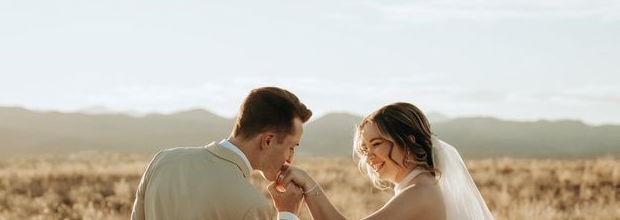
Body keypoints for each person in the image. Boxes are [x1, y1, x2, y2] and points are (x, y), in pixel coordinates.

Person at [270, 103, 493, 220]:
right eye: (365, 149)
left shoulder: (420, 192)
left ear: (408, 141)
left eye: (376, 144)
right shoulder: (421, 187)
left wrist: (309, 184)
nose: (368, 157)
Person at [131, 86, 312, 220]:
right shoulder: (252, 206)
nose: (290, 158)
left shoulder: (163, 161)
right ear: (268, 140)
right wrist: (288, 214)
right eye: (292, 147)